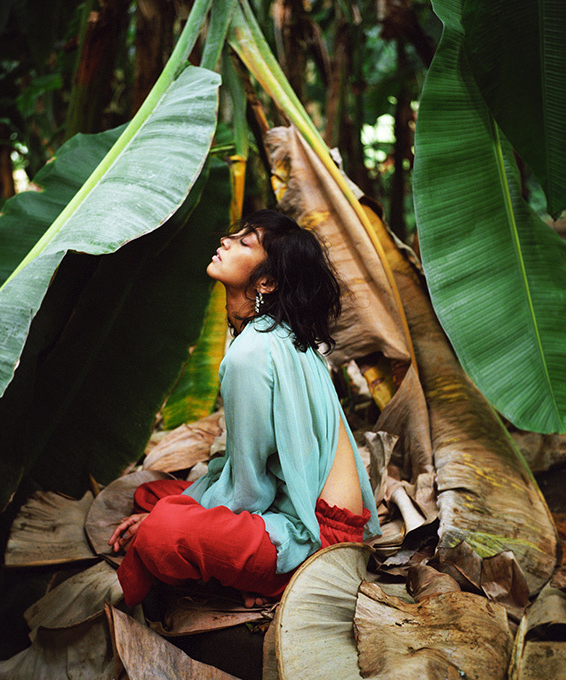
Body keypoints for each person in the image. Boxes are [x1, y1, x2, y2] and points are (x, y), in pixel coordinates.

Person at [110, 210, 381, 608]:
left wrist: (172, 517)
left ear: (266, 282)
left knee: (161, 530)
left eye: (244, 242)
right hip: (308, 508)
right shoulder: (280, 333)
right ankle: (216, 554)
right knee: (154, 494)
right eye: (232, 235)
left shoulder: (250, 355)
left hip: (320, 537)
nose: (225, 242)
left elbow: (250, 491)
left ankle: (266, 581)